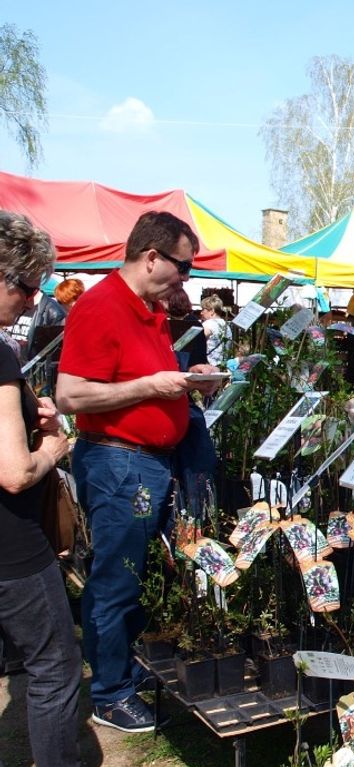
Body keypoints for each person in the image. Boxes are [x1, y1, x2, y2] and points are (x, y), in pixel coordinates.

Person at [0, 211, 150, 767]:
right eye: (27, 285)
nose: (34, 298)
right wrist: (53, 447)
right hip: (11, 546)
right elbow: (13, 473)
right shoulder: (2, 357)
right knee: (56, 664)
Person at [56, 211, 221, 734]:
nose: (186, 278)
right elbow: (70, 394)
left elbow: (145, 376)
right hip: (117, 462)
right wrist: (152, 387)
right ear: (152, 257)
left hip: (147, 461)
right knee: (116, 580)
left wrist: (189, 379)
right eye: (183, 266)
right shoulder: (101, 305)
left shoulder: (147, 309)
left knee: (134, 575)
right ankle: (109, 693)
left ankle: (124, 671)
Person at [199, 294, 232, 365]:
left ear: (212, 311)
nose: (201, 313)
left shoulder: (208, 324)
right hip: (223, 365)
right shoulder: (226, 325)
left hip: (209, 366)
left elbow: (196, 340)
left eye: (203, 309)